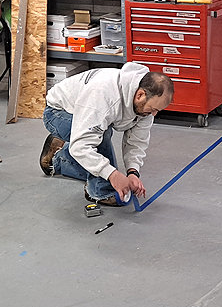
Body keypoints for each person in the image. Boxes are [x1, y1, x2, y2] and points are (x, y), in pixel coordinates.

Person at [40, 63, 174, 206]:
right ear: (140, 95)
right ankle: (100, 191)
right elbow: (81, 146)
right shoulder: (103, 95)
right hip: (57, 113)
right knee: (101, 136)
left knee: (100, 138)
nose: (154, 114)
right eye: (153, 109)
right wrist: (112, 175)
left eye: (157, 110)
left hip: (88, 114)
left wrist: (133, 172)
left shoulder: (146, 106)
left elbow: (136, 141)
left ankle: (58, 158)